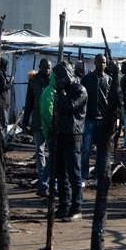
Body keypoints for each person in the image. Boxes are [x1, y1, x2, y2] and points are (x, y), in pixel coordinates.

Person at [51, 62, 87, 221]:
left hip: (73, 134)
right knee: (61, 173)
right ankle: (64, 204)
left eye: (59, 77)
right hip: (61, 134)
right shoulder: (62, 91)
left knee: (74, 172)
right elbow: (57, 113)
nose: (57, 80)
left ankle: (76, 207)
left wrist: (61, 94)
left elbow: (69, 107)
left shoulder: (80, 90)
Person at [21, 59, 52, 197]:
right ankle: (43, 179)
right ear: (39, 67)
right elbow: (29, 102)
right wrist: (25, 121)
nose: (47, 70)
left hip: (51, 122)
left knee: (52, 152)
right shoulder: (34, 81)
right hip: (38, 121)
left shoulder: (53, 82)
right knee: (39, 151)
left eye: (49, 68)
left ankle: (49, 179)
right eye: (45, 67)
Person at [79, 54, 110, 187]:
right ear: (95, 63)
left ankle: (98, 176)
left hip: (102, 120)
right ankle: (83, 177)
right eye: (99, 62)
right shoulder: (87, 79)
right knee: (85, 149)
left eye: (103, 62)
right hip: (89, 119)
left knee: (101, 151)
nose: (101, 65)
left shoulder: (109, 80)